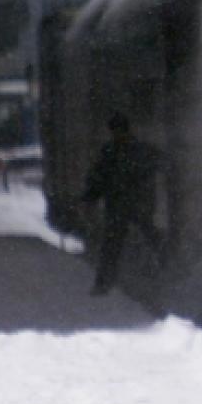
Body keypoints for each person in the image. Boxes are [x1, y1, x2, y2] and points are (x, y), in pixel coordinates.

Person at [81, 112, 163, 295]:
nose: (116, 134)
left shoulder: (112, 152)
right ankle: (164, 273)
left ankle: (103, 284)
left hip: (122, 206)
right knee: (145, 238)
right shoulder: (141, 150)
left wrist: (89, 198)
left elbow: (97, 178)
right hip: (134, 205)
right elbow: (99, 177)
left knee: (112, 246)